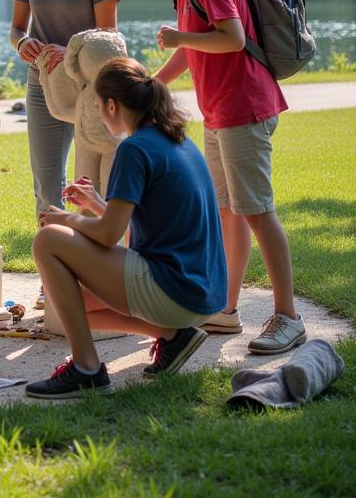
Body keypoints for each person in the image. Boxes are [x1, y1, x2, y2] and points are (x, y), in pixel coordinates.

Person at [118, 0, 303, 355]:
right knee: (228, 211)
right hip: (221, 110)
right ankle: (226, 308)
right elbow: (191, 52)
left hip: (246, 107)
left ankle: (289, 317)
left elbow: (232, 38)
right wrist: (151, 85)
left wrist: (180, 37)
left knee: (257, 210)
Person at [25, 57, 227, 399]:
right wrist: (94, 206)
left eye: (99, 105)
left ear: (112, 105)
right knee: (74, 304)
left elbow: (106, 234)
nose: (100, 114)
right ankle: (173, 335)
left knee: (48, 241)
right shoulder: (174, 138)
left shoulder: (133, 148)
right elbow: (144, 221)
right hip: (200, 291)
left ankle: (87, 368)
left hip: (175, 287)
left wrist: (67, 220)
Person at [8, 0, 121, 307]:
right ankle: (51, 275)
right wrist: (24, 43)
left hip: (93, 89)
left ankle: (91, 271)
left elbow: (110, 35)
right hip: (42, 83)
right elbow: (17, 28)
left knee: (89, 183)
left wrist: (69, 48)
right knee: (46, 182)